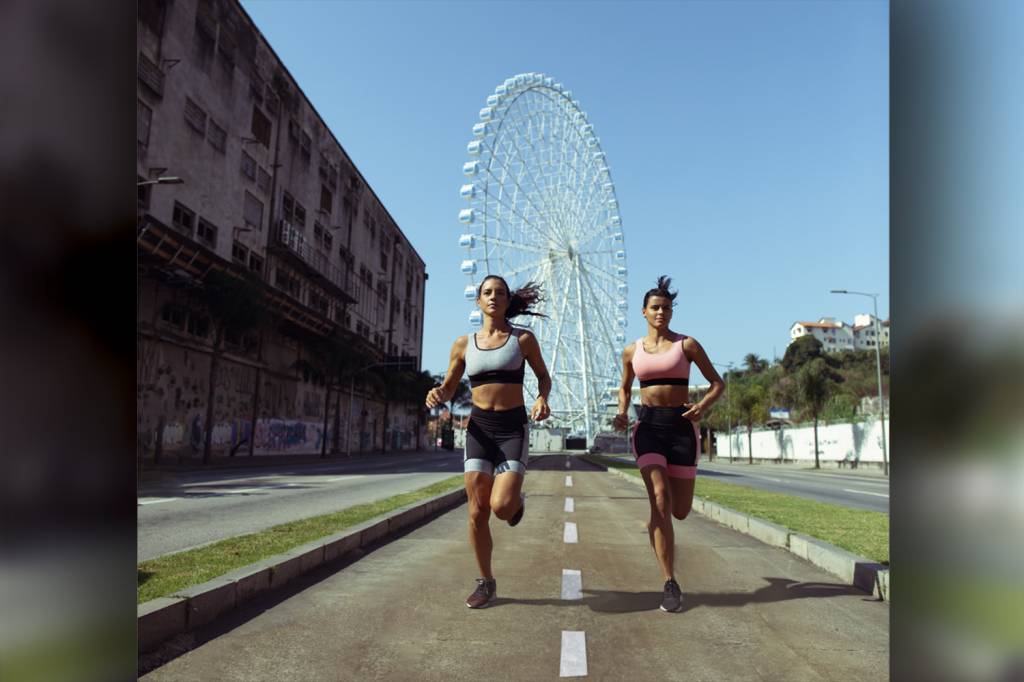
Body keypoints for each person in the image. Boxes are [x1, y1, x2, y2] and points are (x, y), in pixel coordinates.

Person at [426, 275, 551, 608]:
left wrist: (541, 398)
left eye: (499, 293)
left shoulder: (523, 340)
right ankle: (485, 581)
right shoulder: (463, 344)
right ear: (478, 301)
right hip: (479, 429)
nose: (493, 297)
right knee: (477, 511)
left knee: (501, 506)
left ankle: (517, 502)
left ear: (508, 301)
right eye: (487, 292)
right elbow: (450, 387)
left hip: (512, 429)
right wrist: (438, 393)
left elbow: (543, 376)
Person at [612, 275, 725, 612]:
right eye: (656, 308)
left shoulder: (686, 345)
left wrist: (702, 406)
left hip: (681, 428)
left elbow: (717, 383)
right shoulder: (632, 350)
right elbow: (624, 387)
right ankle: (670, 582)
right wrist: (622, 411)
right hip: (647, 426)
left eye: (667, 308)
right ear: (644, 312)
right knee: (660, 499)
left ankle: (658, 521)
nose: (662, 313)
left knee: (680, 511)